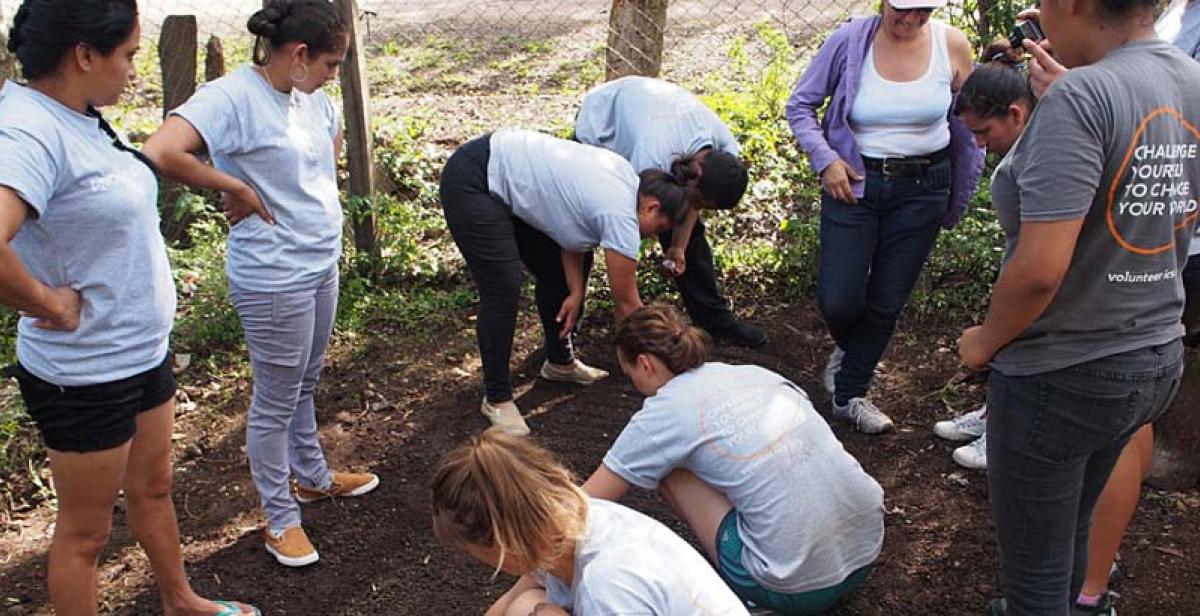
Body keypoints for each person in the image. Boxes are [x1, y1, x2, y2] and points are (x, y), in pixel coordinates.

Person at [0, 1, 256, 614]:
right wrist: (45, 302)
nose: (134, 71)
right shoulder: (28, 131)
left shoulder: (79, 113)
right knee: (86, 534)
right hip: (86, 373)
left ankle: (180, 601)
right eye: (129, 56)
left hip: (140, 350)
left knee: (155, 488)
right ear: (85, 55)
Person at [953, 0, 1200, 611]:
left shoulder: (1082, 98)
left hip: (1063, 371)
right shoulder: (1188, 81)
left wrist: (983, 342)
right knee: (1072, 530)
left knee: (1034, 576)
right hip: (1155, 353)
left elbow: (1039, 270)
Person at [143, 0, 379, 569]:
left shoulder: (309, 98)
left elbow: (322, 159)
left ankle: (313, 476)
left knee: (307, 379)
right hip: (274, 277)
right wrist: (235, 186)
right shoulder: (230, 99)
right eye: (329, 64)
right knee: (275, 399)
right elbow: (160, 150)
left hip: (319, 262)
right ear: (298, 55)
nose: (332, 76)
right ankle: (280, 518)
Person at [582, 304, 883, 615]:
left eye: (629, 373)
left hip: (794, 587)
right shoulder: (754, 375)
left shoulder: (663, 413)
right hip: (865, 552)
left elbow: (585, 504)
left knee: (669, 470)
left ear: (644, 364)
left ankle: (751, 597)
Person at [786, 0, 983, 434]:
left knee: (887, 300)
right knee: (839, 298)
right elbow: (801, 106)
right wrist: (826, 160)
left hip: (924, 187)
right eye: (903, 10)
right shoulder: (850, 41)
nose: (911, 20)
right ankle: (852, 352)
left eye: (924, 12)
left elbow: (975, 116)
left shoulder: (952, 44)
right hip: (855, 182)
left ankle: (850, 391)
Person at [438, 129, 688, 436]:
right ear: (651, 207)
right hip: (474, 179)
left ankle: (559, 363)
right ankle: (497, 397)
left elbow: (571, 229)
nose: (652, 236)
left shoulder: (624, 180)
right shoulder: (619, 213)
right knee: (503, 285)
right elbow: (627, 304)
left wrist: (575, 291)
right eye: (658, 227)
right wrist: (665, 355)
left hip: (504, 172)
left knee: (555, 273)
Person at [431, 428, 750, 616]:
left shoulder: (608, 588)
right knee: (526, 605)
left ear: (504, 546)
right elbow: (515, 597)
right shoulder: (564, 520)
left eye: (473, 552)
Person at [573, 76, 766, 348]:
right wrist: (629, 301)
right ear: (693, 175)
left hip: (652, 115)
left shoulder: (725, 155)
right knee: (584, 224)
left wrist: (678, 248)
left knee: (691, 237)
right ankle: (572, 321)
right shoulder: (653, 155)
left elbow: (691, 205)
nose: (694, 208)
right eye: (695, 200)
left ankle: (715, 322)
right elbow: (625, 224)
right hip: (603, 123)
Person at [933, 54, 1035, 471]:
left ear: (1015, 113)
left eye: (982, 131)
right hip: (1019, 261)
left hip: (1040, 273)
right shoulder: (1023, 144)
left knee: (1022, 347)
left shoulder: (1047, 152)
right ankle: (994, 414)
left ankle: (1006, 434)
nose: (977, 143)